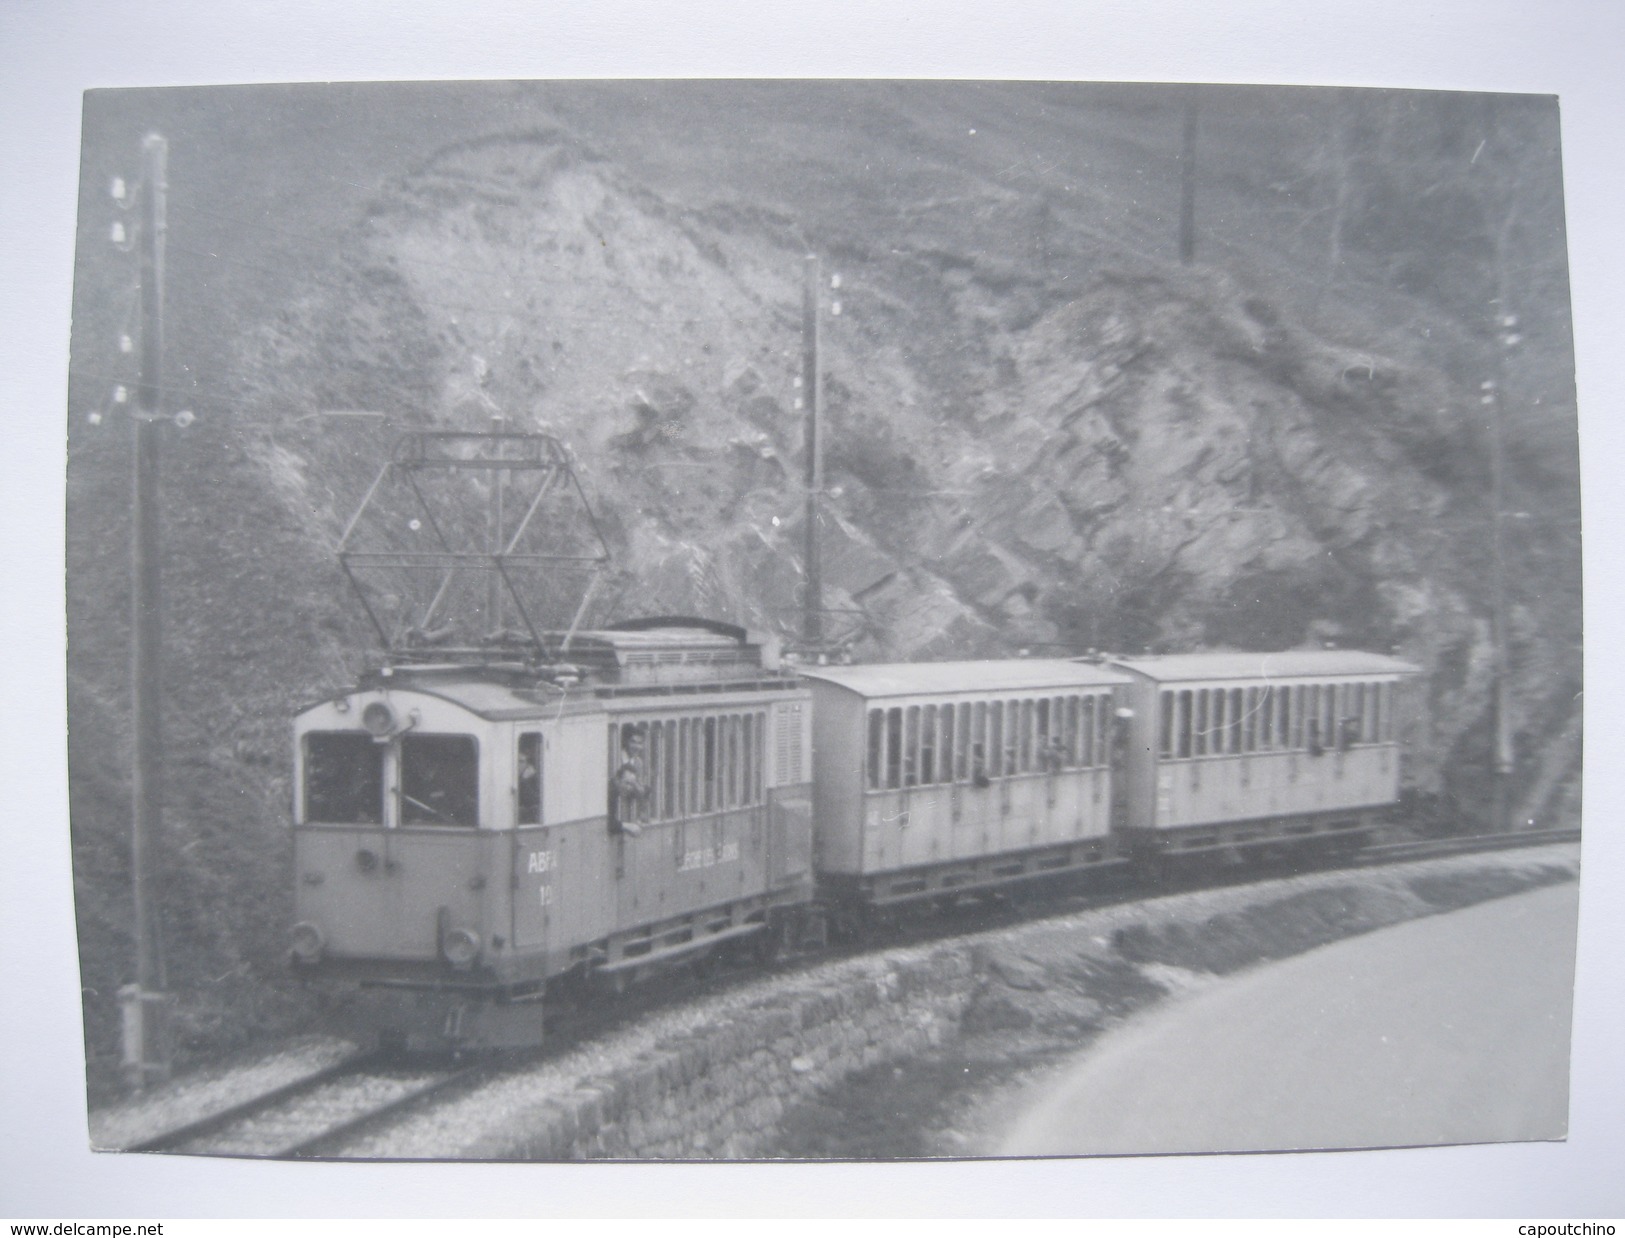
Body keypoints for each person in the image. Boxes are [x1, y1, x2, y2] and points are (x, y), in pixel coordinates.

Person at [611, 727, 649, 836]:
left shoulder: (638, 763)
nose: (636, 746)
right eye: (633, 742)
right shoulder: (615, 759)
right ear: (626, 742)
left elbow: (640, 791)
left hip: (628, 811)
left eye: (640, 743)